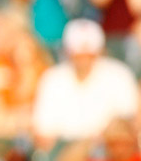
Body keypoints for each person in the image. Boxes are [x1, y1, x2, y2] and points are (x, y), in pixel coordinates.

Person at [32, 18, 139, 146]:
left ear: (100, 50)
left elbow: (128, 124)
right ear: (68, 51)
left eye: (89, 53)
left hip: (106, 151)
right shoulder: (52, 79)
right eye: (79, 53)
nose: (83, 58)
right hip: (62, 150)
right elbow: (43, 133)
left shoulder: (119, 75)